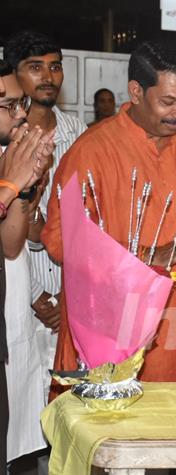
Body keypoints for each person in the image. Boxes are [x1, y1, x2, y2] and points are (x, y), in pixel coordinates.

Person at [42, 39, 176, 392]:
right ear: (136, 92)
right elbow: (59, 239)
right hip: (103, 324)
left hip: (169, 324)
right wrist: (144, 259)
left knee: (163, 427)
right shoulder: (91, 150)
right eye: (169, 102)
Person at [4, 30, 88, 403]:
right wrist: (37, 295)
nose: (48, 77)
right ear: (15, 73)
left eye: (55, 67)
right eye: (35, 67)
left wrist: (66, 295)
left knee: (67, 405)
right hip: (18, 294)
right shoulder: (6, 141)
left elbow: (88, 221)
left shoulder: (79, 134)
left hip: (70, 294)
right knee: (22, 411)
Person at [0, 58, 54, 475]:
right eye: (7, 104)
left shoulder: (7, 155)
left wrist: (26, 187)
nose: (21, 113)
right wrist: (11, 186)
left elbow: (11, 244)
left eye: (20, 103)